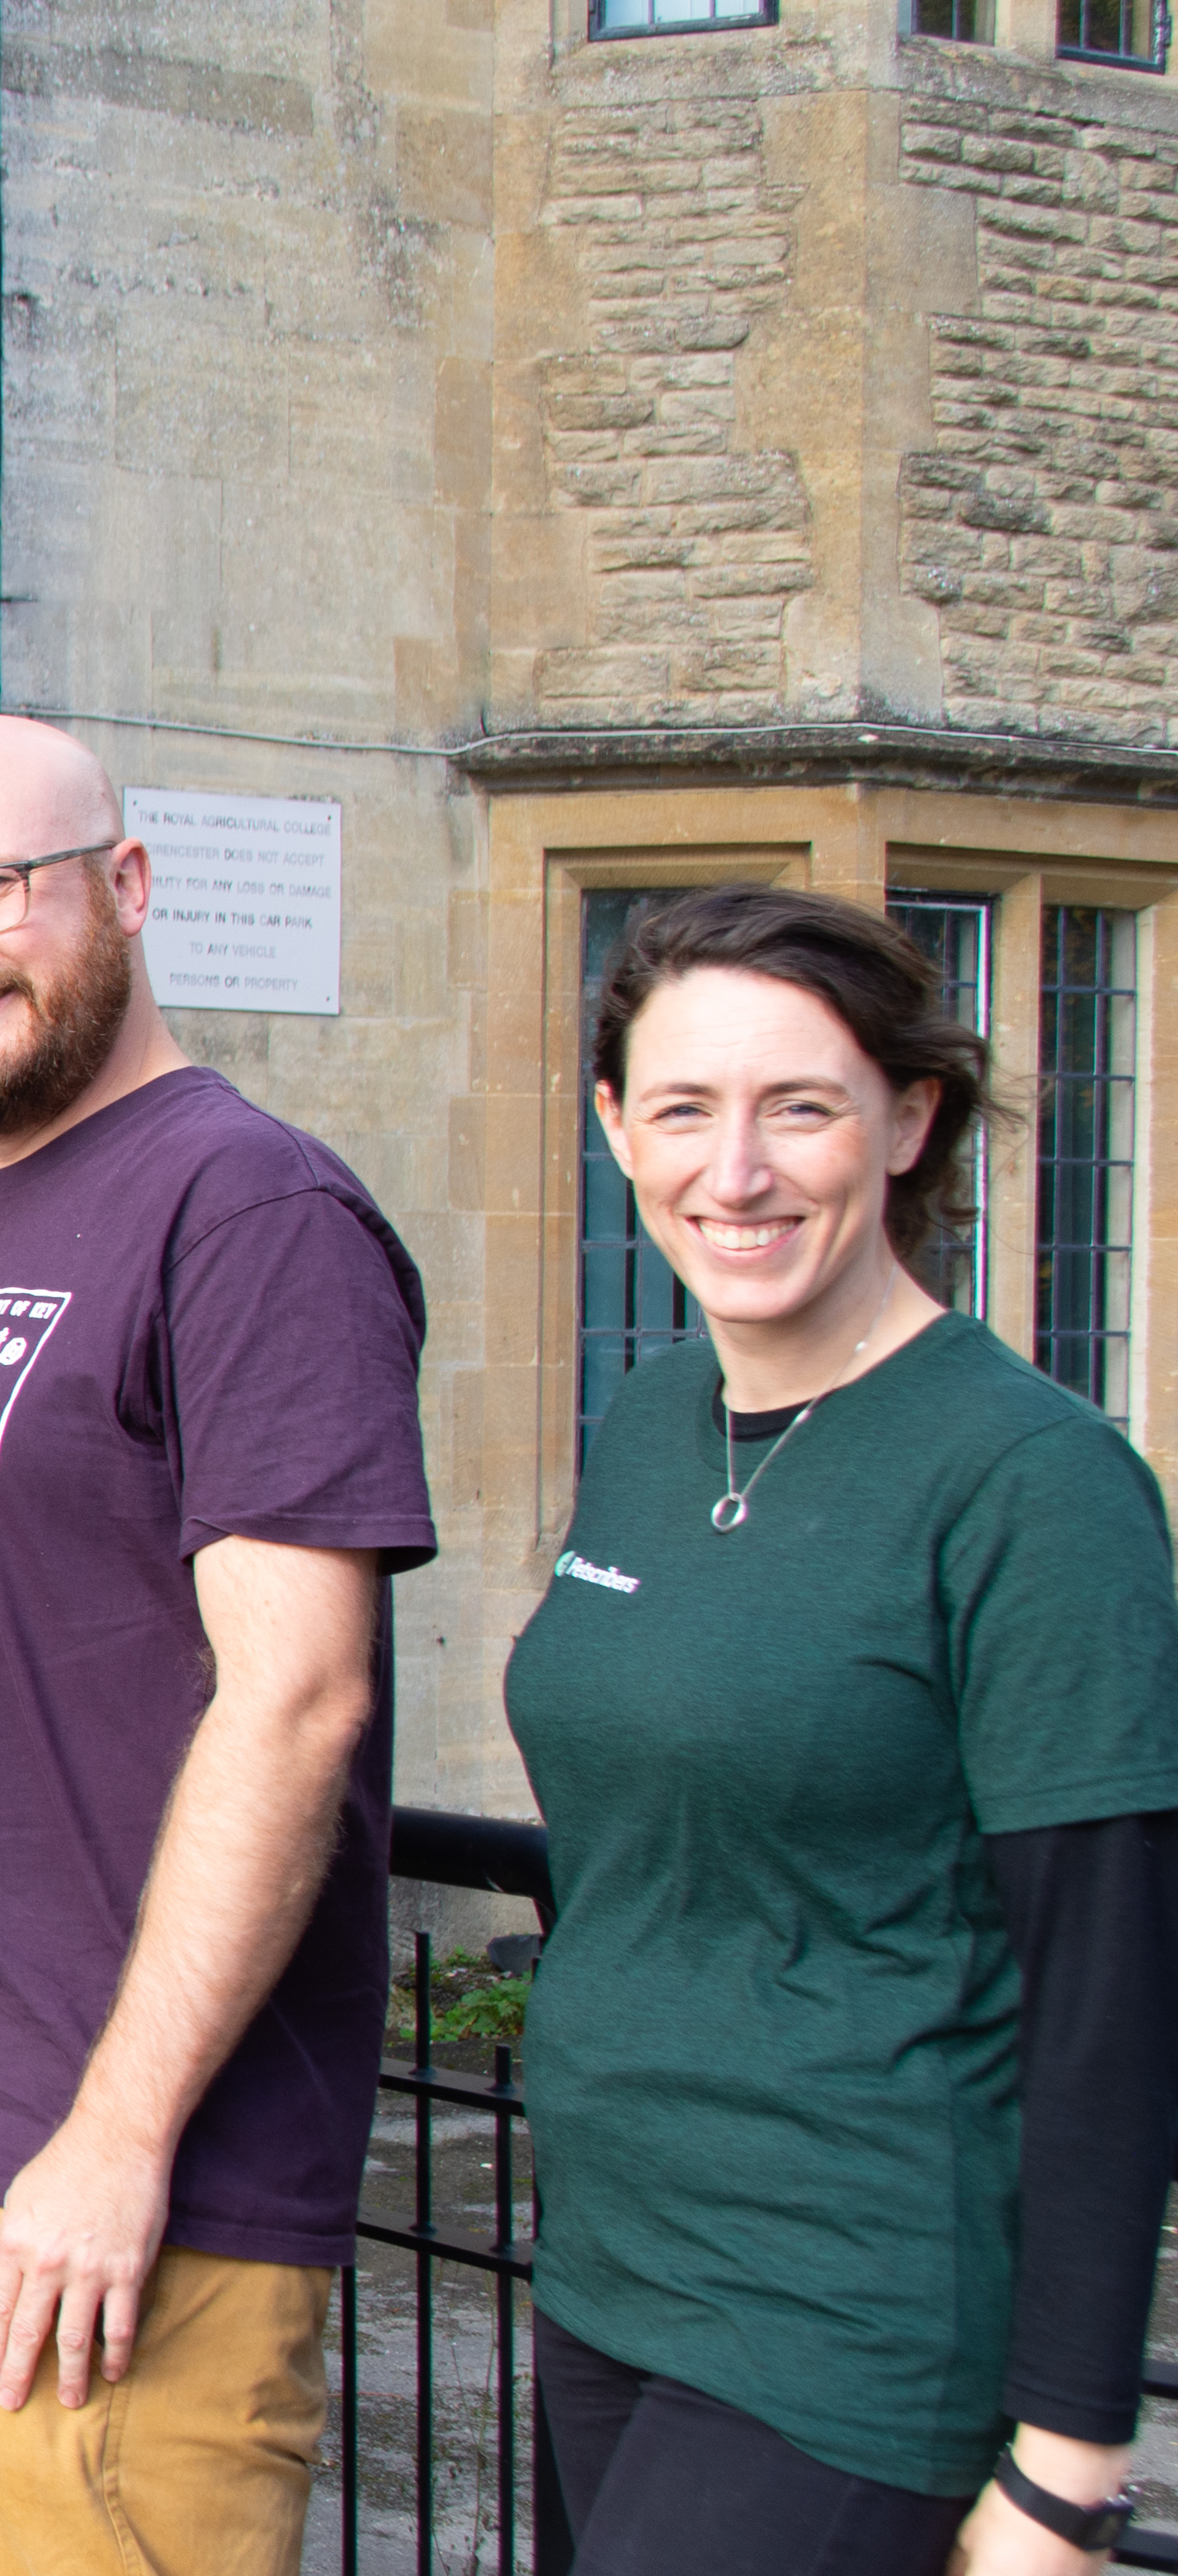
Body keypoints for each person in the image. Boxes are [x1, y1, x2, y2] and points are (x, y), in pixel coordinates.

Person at [0, 713, 434, 2576]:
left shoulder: (246, 1207)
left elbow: (299, 1691)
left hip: (119, 2189)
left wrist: (114, 2132)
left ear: (127, 888)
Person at [508, 885, 1178, 2576]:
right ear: (611, 1126)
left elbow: (1111, 1993)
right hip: (605, 2266)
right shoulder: (656, 1413)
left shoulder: (1031, 1483)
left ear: (905, 1117)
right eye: (679, 1107)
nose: (731, 1171)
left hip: (846, 2303)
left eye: (795, 1105)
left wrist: (1063, 2466)